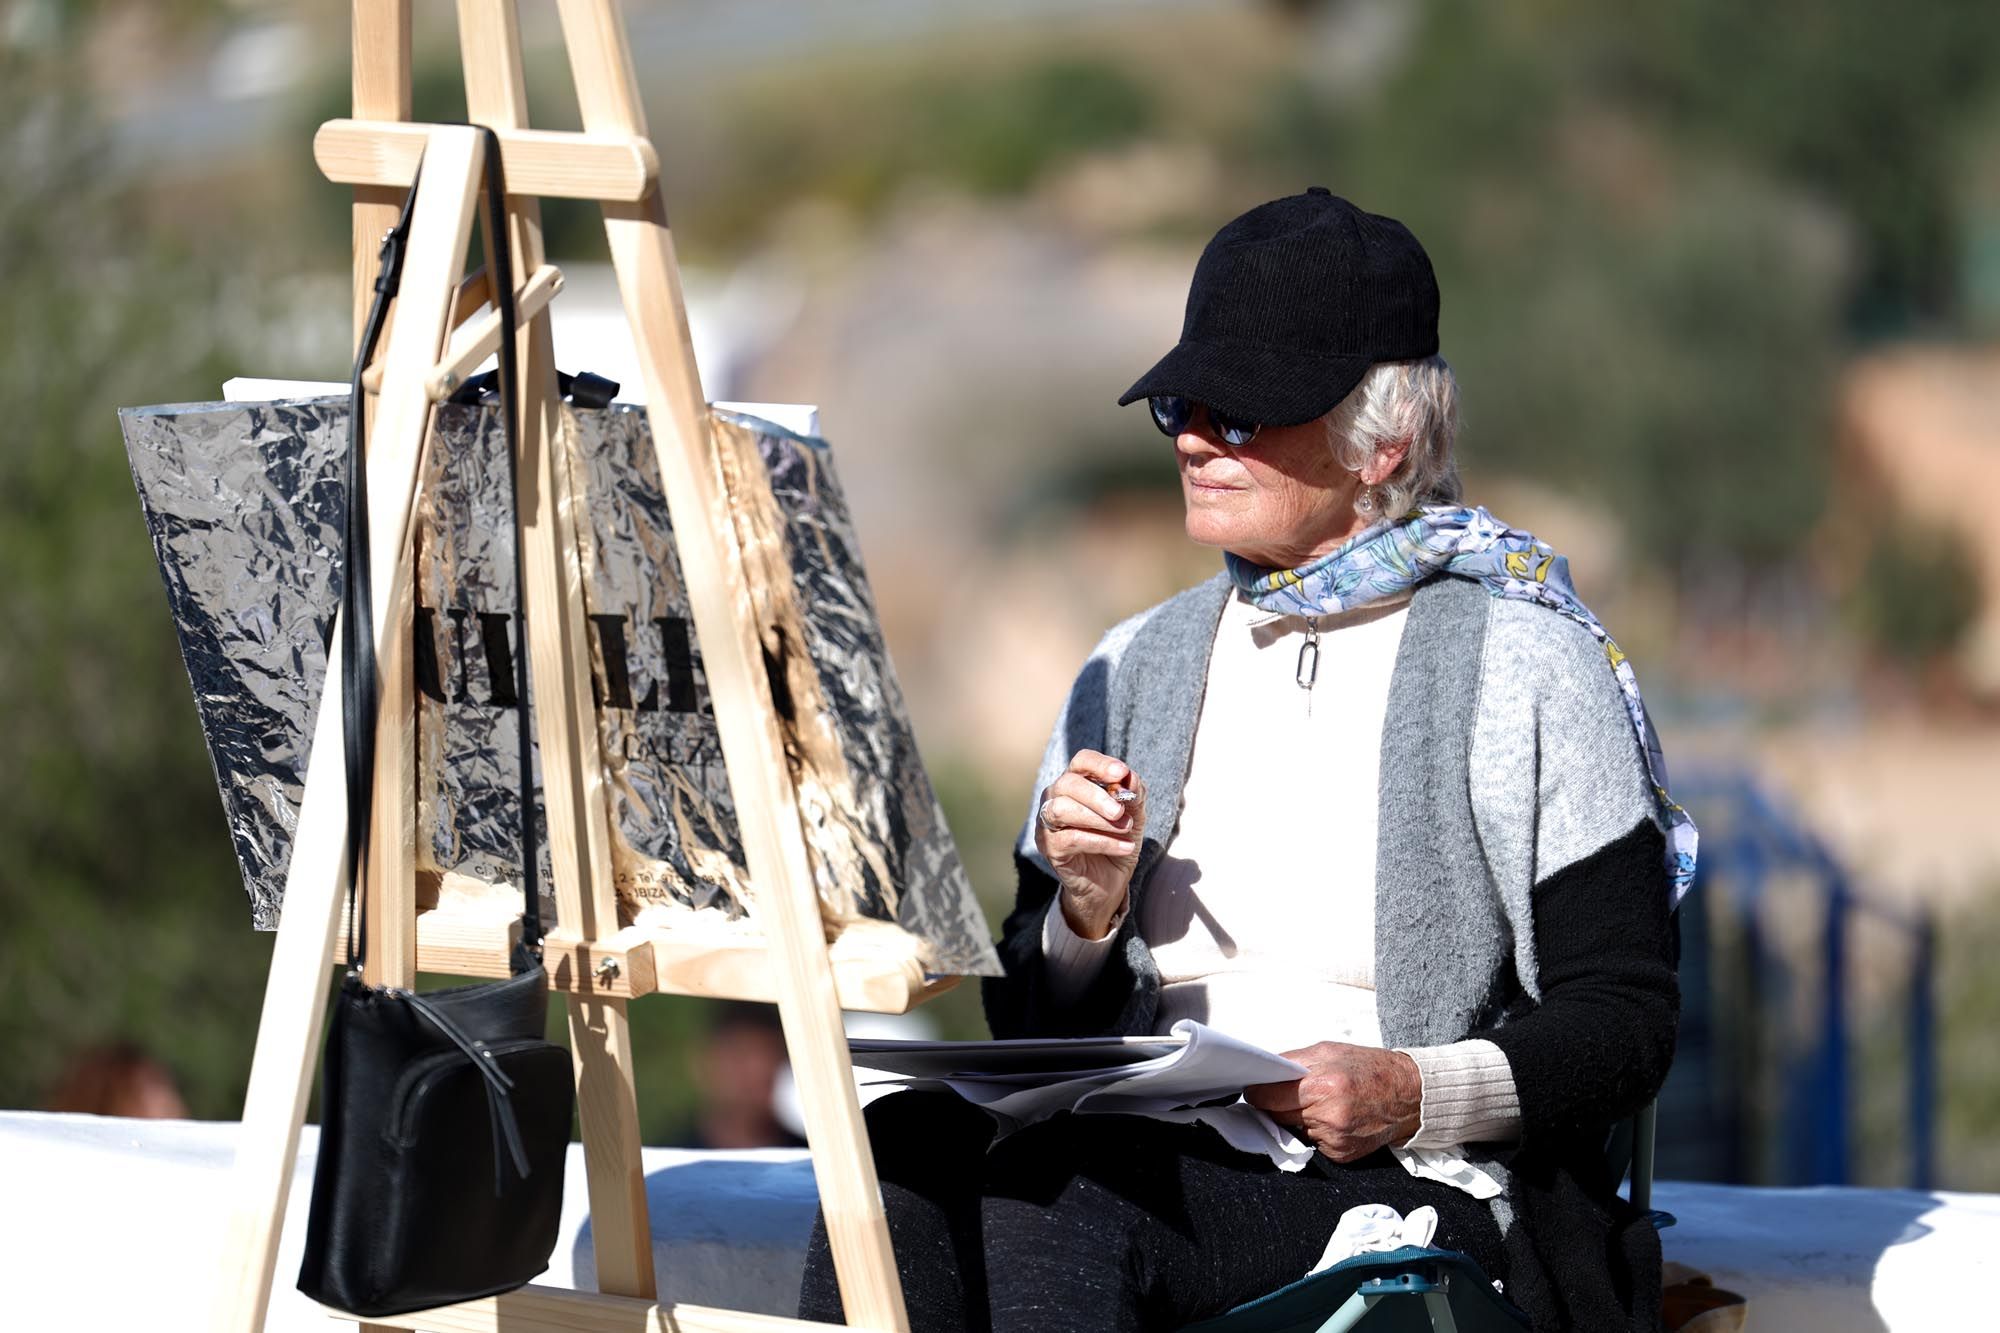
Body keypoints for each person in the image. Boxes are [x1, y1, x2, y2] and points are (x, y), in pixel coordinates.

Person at [799, 189, 1689, 1333]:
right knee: (885, 1157)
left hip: (1417, 1182)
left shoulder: (1527, 666)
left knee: (1062, 1194)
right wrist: (1082, 912)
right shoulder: (1126, 669)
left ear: (1387, 441)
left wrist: (1409, 1092)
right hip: (1156, 1144)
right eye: (1182, 401)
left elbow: (1625, 1021)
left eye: (1243, 411)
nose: (1191, 436)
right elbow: (1025, 1018)